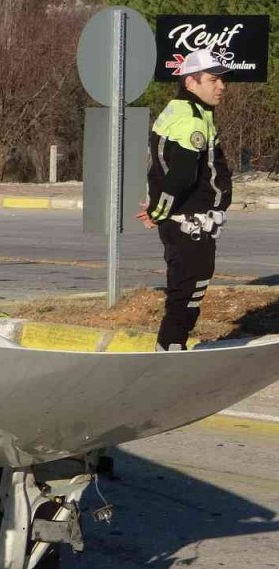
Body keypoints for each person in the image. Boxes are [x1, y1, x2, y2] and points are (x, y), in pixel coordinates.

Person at [136, 48, 231, 351]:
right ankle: (170, 347)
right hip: (190, 222)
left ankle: (173, 345)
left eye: (222, 80)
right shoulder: (191, 118)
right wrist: (159, 212)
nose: (221, 86)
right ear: (191, 83)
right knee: (187, 289)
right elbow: (181, 176)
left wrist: (158, 207)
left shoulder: (187, 111)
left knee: (189, 286)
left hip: (188, 219)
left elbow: (160, 167)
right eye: (213, 80)